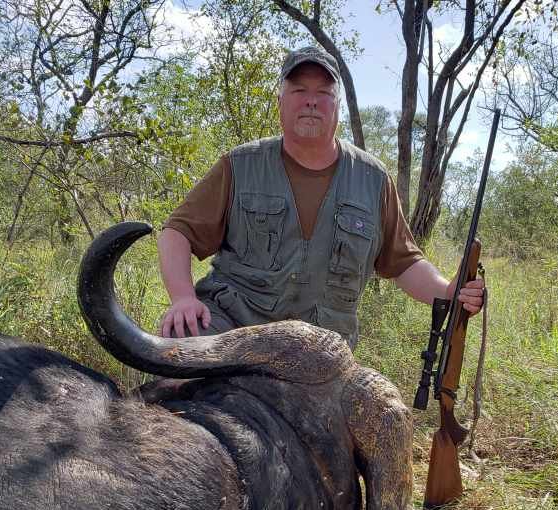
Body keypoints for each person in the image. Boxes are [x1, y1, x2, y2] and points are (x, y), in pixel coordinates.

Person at [157, 45, 485, 348]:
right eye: (299, 90)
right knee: (175, 361)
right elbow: (177, 233)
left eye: (323, 93)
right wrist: (184, 298)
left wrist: (447, 291)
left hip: (321, 349)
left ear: (337, 107)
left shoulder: (374, 180)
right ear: (280, 102)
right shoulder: (239, 165)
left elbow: (404, 263)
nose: (311, 101)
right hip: (231, 326)